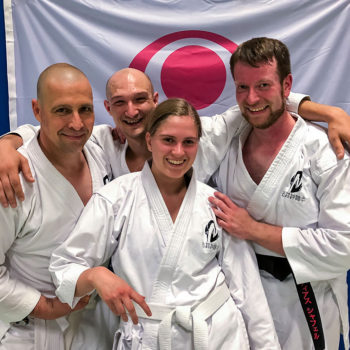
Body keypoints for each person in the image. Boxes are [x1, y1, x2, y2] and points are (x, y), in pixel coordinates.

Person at [49, 98, 281, 350]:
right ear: (150, 141)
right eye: (168, 140)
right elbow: (64, 267)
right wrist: (96, 275)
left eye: (188, 142)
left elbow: (248, 291)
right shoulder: (115, 199)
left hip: (217, 334)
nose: (178, 152)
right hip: (149, 335)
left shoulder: (214, 203)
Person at [1, 68, 350, 208]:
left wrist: (325, 112)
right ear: (108, 108)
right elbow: (44, 129)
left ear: (156, 100)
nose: (132, 111)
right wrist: (6, 143)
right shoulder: (101, 144)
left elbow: (255, 104)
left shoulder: (202, 136)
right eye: (120, 103)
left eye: (140, 100)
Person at [209, 37, 350, 349]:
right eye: (242, 87)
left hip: (302, 298)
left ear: (287, 85)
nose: (251, 98)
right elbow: (175, 138)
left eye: (263, 85)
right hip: (239, 294)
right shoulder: (228, 139)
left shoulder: (324, 151)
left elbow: (343, 246)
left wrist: (253, 229)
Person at [0, 63, 150, 350]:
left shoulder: (99, 148)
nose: (77, 123)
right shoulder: (12, 179)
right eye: (62, 110)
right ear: (37, 110)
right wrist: (46, 307)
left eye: (85, 109)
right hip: (31, 330)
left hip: (93, 322)